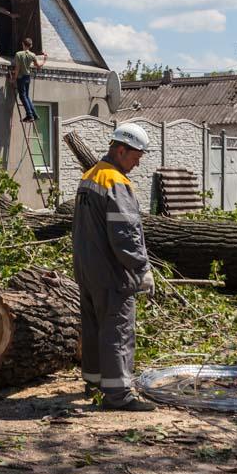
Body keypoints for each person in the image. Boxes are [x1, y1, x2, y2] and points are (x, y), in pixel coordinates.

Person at [72, 122, 157, 411]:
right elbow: (125, 234)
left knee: (94, 328)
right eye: (135, 156)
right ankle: (119, 396)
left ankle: (95, 383)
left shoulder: (89, 176)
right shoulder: (115, 182)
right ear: (121, 150)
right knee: (118, 331)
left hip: (87, 268)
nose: (137, 162)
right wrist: (141, 268)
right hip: (112, 272)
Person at [11, 38, 47, 122]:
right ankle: (34, 114)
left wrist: (14, 79)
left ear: (23, 44)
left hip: (21, 77)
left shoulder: (18, 54)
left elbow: (17, 68)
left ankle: (30, 115)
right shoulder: (32, 55)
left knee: (22, 96)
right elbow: (38, 65)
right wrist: (44, 60)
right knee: (26, 96)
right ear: (30, 46)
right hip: (28, 77)